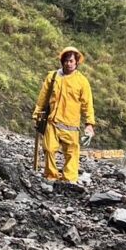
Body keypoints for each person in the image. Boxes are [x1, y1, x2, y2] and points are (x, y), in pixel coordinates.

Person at [32, 46, 95, 182]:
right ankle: (51, 176)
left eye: (71, 61)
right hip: (53, 122)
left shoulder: (82, 82)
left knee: (71, 154)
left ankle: (69, 180)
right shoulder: (53, 77)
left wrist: (89, 124)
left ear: (77, 62)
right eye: (66, 61)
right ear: (62, 61)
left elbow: (87, 104)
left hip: (71, 126)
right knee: (48, 149)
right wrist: (37, 115)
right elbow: (42, 98)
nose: (68, 63)